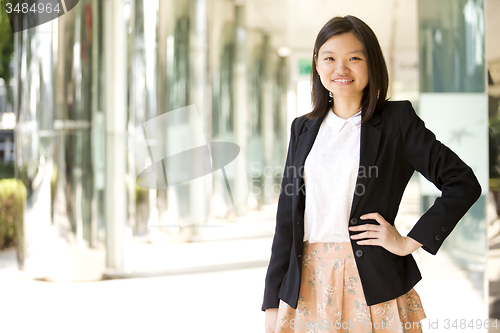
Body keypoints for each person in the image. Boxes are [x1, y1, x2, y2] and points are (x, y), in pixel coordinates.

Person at [262, 15, 482, 333]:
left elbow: (461, 181)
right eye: (330, 58)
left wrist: (410, 241)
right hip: (309, 283)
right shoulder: (303, 127)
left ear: (372, 63)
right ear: (317, 63)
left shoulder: (397, 121)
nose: (341, 68)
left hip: (372, 282)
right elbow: (287, 219)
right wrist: (272, 300)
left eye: (354, 58)